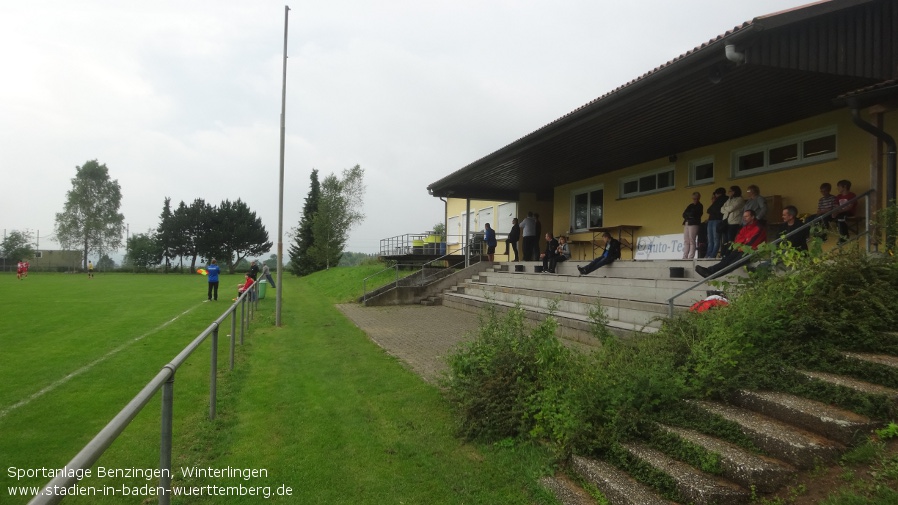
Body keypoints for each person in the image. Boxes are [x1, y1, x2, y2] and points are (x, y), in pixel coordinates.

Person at [695, 209, 767, 278]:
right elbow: (738, 240)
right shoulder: (745, 228)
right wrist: (740, 247)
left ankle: (711, 274)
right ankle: (709, 271)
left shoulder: (758, 228)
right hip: (741, 250)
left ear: (752, 217)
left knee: (733, 263)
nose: (744, 218)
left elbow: (752, 244)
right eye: (743, 216)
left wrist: (741, 246)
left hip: (752, 252)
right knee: (726, 259)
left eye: (746, 216)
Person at [720, 186, 746, 251]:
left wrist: (726, 209)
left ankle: (730, 253)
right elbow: (721, 209)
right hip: (726, 221)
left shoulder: (739, 199)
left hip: (734, 222)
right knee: (725, 240)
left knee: (731, 239)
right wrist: (727, 209)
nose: (728, 193)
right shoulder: (729, 199)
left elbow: (731, 208)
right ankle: (725, 253)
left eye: (730, 191)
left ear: (734, 192)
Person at [705, 187, 728, 259]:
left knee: (715, 238)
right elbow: (709, 210)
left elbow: (711, 210)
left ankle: (711, 254)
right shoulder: (719, 200)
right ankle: (709, 254)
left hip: (717, 219)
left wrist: (713, 209)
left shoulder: (723, 199)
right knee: (712, 238)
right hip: (713, 220)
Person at [832, 179, 857, 243]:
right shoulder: (838, 196)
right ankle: (842, 236)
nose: (837, 188)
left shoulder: (852, 195)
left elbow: (849, 207)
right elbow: (836, 206)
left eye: (839, 186)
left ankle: (844, 237)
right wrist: (835, 212)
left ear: (845, 187)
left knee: (840, 217)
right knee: (836, 217)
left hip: (849, 212)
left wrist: (839, 211)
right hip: (840, 213)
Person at [682, 192, 703, 259]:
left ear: (698, 198)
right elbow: (684, 214)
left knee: (692, 240)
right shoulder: (690, 205)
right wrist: (689, 215)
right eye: (693, 198)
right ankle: (685, 256)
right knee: (686, 240)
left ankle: (691, 256)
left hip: (694, 223)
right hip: (687, 222)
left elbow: (695, 214)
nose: (694, 200)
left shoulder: (700, 205)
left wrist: (689, 214)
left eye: (696, 198)